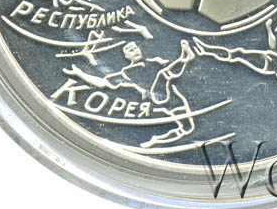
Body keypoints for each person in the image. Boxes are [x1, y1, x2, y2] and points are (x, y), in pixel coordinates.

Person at [64, 40, 197, 148]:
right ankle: (185, 57)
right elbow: (103, 82)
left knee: (187, 129)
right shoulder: (126, 73)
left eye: (135, 48)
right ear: (126, 56)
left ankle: (156, 140)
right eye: (130, 50)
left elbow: (172, 68)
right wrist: (80, 74)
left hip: (172, 98)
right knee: (163, 74)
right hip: (155, 98)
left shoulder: (154, 62)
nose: (135, 51)